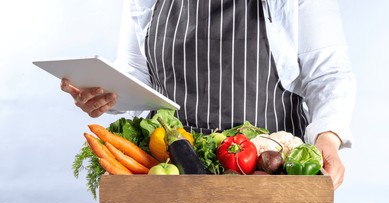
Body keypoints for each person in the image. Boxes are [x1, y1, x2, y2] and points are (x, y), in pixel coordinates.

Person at [61, 0, 356, 189]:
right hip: (168, 171)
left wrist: (328, 139)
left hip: (267, 175)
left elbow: (328, 74)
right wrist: (105, 94)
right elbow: (137, 70)